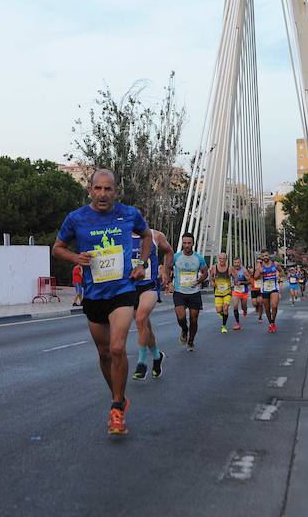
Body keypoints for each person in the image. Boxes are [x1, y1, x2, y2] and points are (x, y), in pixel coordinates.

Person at [52, 169, 151, 435]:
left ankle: (116, 408)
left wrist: (141, 264)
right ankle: (118, 395)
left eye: (108, 189)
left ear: (116, 191)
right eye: (98, 189)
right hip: (94, 294)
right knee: (105, 353)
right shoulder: (76, 218)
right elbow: (57, 247)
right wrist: (76, 259)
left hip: (122, 290)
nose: (103, 194)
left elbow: (147, 236)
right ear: (90, 190)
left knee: (118, 348)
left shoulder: (129, 213)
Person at [131, 228, 173, 380]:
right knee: (144, 326)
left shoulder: (156, 236)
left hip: (150, 285)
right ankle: (156, 355)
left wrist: (165, 271)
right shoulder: (121, 235)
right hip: (131, 287)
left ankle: (141, 363)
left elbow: (169, 251)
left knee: (141, 319)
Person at [171, 232, 208, 351]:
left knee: (194, 318)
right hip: (179, 291)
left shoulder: (199, 258)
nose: (187, 245)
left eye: (189, 243)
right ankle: (184, 330)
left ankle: (191, 341)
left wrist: (199, 281)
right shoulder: (176, 257)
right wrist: (168, 283)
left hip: (194, 292)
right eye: (185, 243)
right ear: (182, 243)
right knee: (181, 317)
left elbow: (205, 272)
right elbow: (166, 268)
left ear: (193, 244)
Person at [254, 250, 284, 333]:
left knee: (274, 306)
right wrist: (259, 270)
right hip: (264, 289)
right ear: (261, 257)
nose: (265, 257)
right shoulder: (259, 265)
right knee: (267, 309)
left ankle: (273, 322)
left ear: (269, 255)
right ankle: (270, 323)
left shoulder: (275, 264)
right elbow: (255, 277)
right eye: (263, 256)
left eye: (266, 255)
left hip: (274, 288)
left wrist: (279, 276)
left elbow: (281, 271)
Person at [209, 253, 232, 334]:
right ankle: (224, 316)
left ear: (226, 259)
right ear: (218, 259)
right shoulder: (214, 268)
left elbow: (235, 277)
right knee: (219, 311)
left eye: (224, 259)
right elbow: (211, 276)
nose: (222, 260)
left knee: (225, 308)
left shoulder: (229, 268)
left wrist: (235, 282)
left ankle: (224, 326)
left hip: (227, 292)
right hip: (218, 292)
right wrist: (212, 282)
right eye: (220, 259)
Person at [229, 258, 249, 330]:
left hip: (244, 291)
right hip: (235, 291)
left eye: (238, 263)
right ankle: (237, 323)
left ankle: (245, 310)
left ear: (240, 263)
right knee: (235, 306)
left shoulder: (244, 270)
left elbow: (249, 281)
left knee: (244, 306)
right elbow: (227, 278)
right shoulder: (231, 270)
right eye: (235, 263)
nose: (236, 264)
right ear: (233, 263)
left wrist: (241, 282)